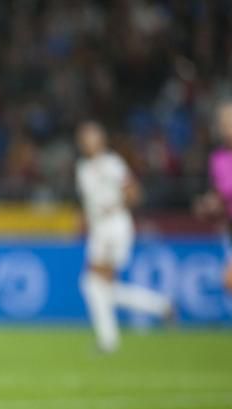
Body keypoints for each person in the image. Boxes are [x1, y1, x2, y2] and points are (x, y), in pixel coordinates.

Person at [75, 121, 173, 353]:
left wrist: (114, 206)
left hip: (114, 226)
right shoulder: (82, 168)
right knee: (102, 288)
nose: (87, 142)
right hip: (98, 229)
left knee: (92, 283)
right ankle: (160, 306)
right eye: (83, 137)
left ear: (101, 140)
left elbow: (134, 192)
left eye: (91, 136)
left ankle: (108, 340)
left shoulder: (112, 163)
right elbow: (91, 202)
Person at [194, 101, 232, 292]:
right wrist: (208, 205)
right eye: (222, 124)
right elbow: (220, 194)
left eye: (228, 122)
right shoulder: (217, 159)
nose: (225, 128)